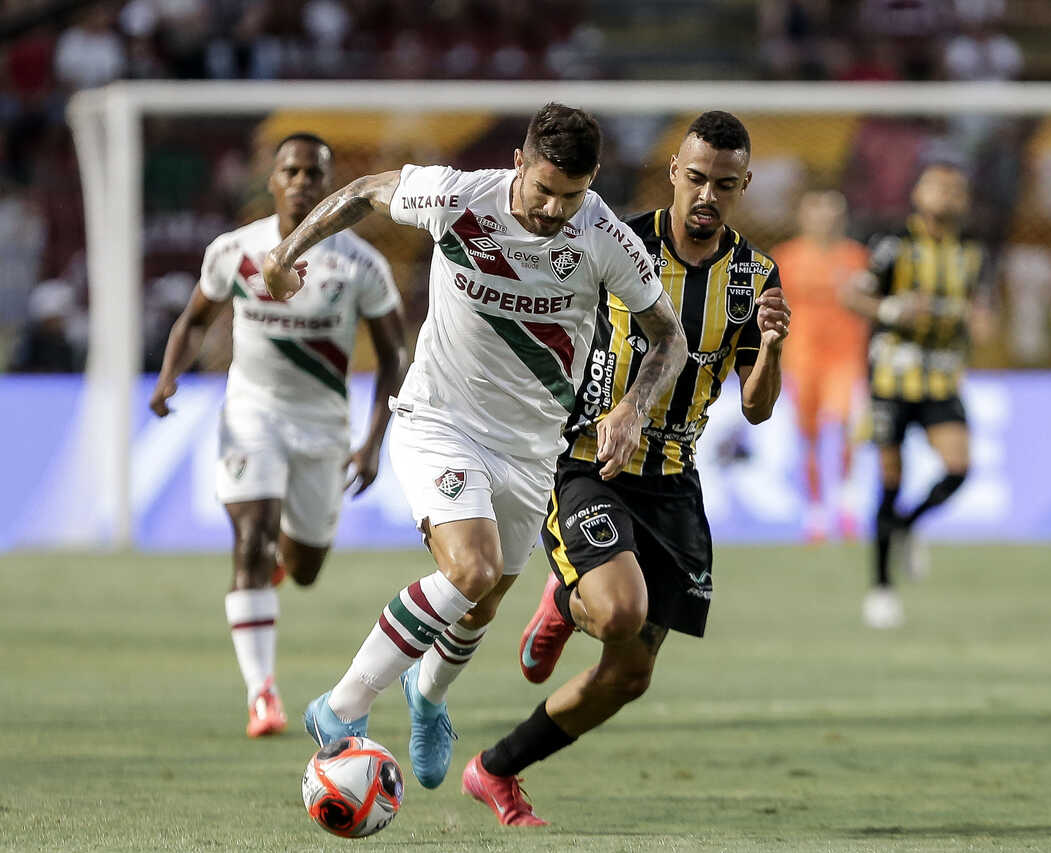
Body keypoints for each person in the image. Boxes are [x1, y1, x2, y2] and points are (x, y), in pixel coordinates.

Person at [271, 105, 687, 794]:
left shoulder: (602, 235)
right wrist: (286, 254)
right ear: (519, 163)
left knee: (484, 602)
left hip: (531, 449)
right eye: (543, 189)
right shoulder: (457, 197)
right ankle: (342, 704)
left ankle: (428, 694)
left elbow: (668, 337)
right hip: (439, 419)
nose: (553, 209)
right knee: (471, 567)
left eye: (571, 195)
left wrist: (632, 408)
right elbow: (362, 192)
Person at [463, 111, 791, 827]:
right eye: (696, 178)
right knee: (617, 611)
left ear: (744, 186)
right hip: (588, 461)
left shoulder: (754, 276)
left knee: (630, 674)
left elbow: (758, 408)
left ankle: (495, 769)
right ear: (674, 171)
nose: (706, 195)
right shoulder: (614, 241)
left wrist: (769, 349)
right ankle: (568, 599)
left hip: (674, 480)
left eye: (724, 185)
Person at [149, 132, 409, 737]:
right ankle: (262, 693)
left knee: (306, 566)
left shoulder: (359, 264)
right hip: (252, 413)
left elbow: (395, 355)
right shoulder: (235, 250)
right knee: (252, 536)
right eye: (290, 171)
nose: (301, 182)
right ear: (272, 180)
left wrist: (373, 440)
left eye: (313, 173)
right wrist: (168, 377)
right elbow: (194, 321)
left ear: (329, 184)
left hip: (324, 427)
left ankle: (277, 565)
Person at [841, 161, 993, 629]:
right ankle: (881, 588)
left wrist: (980, 321)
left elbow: (981, 310)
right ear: (918, 194)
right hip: (891, 377)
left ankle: (907, 526)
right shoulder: (894, 243)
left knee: (959, 467)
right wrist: (893, 310)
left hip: (942, 378)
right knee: (890, 477)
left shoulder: (972, 251)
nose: (946, 195)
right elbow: (853, 295)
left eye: (955, 189)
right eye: (937, 186)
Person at [771, 189, 869, 541]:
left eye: (831, 213)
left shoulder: (857, 258)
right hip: (802, 358)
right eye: (817, 213)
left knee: (844, 425)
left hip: (845, 357)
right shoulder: (786, 258)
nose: (824, 220)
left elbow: (870, 304)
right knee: (808, 434)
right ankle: (815, 511)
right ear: (804, 217)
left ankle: (846, 502)